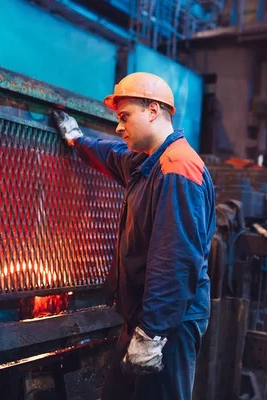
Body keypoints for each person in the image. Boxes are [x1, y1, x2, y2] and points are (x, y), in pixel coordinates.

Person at [52, 72, 215, 400]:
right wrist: (76, 140)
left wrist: (151, 335)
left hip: (169, 324)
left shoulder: (177, 170)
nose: (118, 126)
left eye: (124, 117)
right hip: (146, 317)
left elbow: (175, 263)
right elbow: (111, 156)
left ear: (152, 111)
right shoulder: (148, 163)